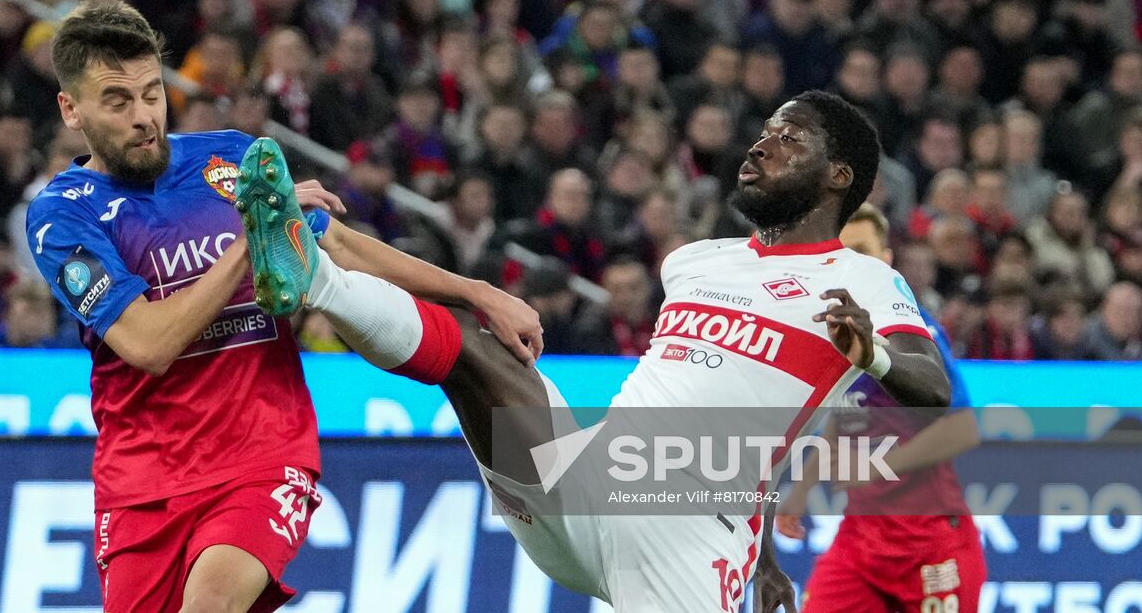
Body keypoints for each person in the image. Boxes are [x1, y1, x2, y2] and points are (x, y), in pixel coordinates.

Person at [233, 89, 951, 613]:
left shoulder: (862, 278)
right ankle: (313, 274)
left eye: (788, 136)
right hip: (588, 482)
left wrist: (874, 357)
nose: (761, 144)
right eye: (763, 129)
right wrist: (329, 236)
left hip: (693, 530)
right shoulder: (697, 261)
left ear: (838, 177)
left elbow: (932, 389)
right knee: (477, 354)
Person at [23, 0, 536, 613]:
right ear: (70, 108)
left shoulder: (229, 159)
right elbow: (149, 345)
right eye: (118, 101)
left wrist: (477, 293)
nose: (144, 118)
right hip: (140, 483)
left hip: (261, 455)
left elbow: (340, 245)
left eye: (152, 94)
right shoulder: (63, 214)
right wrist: (252, 238)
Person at [776, 203, 987, 612]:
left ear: (887, 261)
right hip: (861, 541)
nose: (854, 266)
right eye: (844, 254)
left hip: (929, 541)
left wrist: (877, 465)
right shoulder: (832, 330)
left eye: (864, 252)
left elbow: (963, 429)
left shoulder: (916, 334)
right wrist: (801, 490)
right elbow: (844, 413)